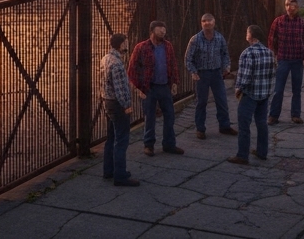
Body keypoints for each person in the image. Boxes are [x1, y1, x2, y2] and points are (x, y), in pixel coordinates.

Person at [128, 20, 184, 156]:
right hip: (149, 88)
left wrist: (175, 82)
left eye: (164, 30)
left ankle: (169, 144)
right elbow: (132, 69)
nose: (163, 33)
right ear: (152, 31)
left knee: (170, 115)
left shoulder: (168, 46)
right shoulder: (141, 47)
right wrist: (137, 88)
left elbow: (172, 64)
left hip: (165, 86)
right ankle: (149, 145)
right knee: (150, 117)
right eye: (160, 30)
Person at [228, 24, 276, 165]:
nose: (246, 35)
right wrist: (269, 91)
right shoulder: (269, 52)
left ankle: (242, 155)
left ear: (251, 36)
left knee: (244, 124)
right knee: (261, 123)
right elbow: (273, 73)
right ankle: (262, 152)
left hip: (250, 94)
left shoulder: (248, 53)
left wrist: (238, 88)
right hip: (264, 94)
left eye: (247, 32)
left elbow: (246, 76)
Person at [184, 13, 237, 139]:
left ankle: (224, 126)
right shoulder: (195, 39)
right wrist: (193, 72)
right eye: (204, 21)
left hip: (216, 73)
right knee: (201, 102)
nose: (207, 23)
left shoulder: (219, 38)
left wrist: (226, 66)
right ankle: (200, 128)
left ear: (214, 22)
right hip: (202, 74)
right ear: (201, 23)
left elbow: (225, 54)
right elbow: (188, 58)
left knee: (222, 100)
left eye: (209, 20)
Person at [98, 33, 139, 186]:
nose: (127, 45)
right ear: (122, 45)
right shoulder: (117, 64)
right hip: (117, 104)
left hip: (107, 102)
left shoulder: (105, 59)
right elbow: (120, 88)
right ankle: (120, 175)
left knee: (111, 138)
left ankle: (108, 170)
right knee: (121, 140)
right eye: (126, 43)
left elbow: (103, 83)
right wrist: (127, 105)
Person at [267, 0, 304, 125]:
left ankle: (295, 114)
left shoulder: (302, 23)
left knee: (296, 89)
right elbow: (271, 39)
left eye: (291, 5)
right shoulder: (278, 21)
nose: (288, 8)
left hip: (297, 59)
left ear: (296, 8)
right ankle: (273, 115)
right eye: (286, 5)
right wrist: (273, 55)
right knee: (278, 89)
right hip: (283, 58)